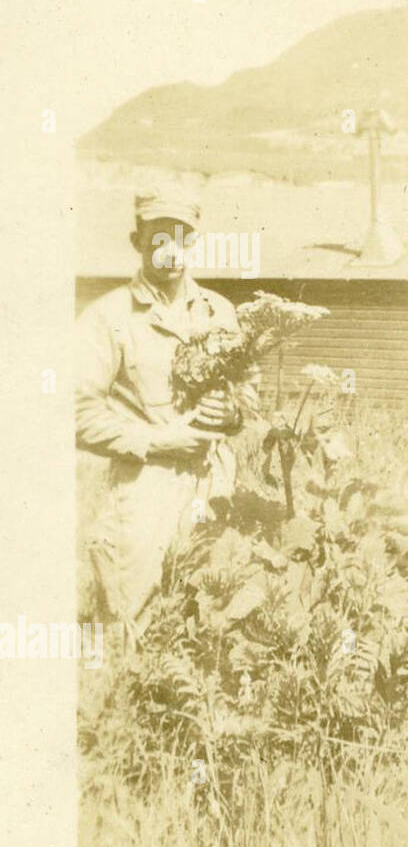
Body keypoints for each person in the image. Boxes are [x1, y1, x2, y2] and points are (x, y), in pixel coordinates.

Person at [76, 186, 252, 633]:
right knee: (135, 625)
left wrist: (230, 412)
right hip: (145, 490)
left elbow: (248, 397)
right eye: (158, 238)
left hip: (214, 483)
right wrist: (156, 440)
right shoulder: (108, 317)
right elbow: (75, 413)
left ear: (193, 241)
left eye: (181, 237)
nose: (170, 250)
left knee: (212, 616)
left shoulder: (220, 311)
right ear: (138, 242)